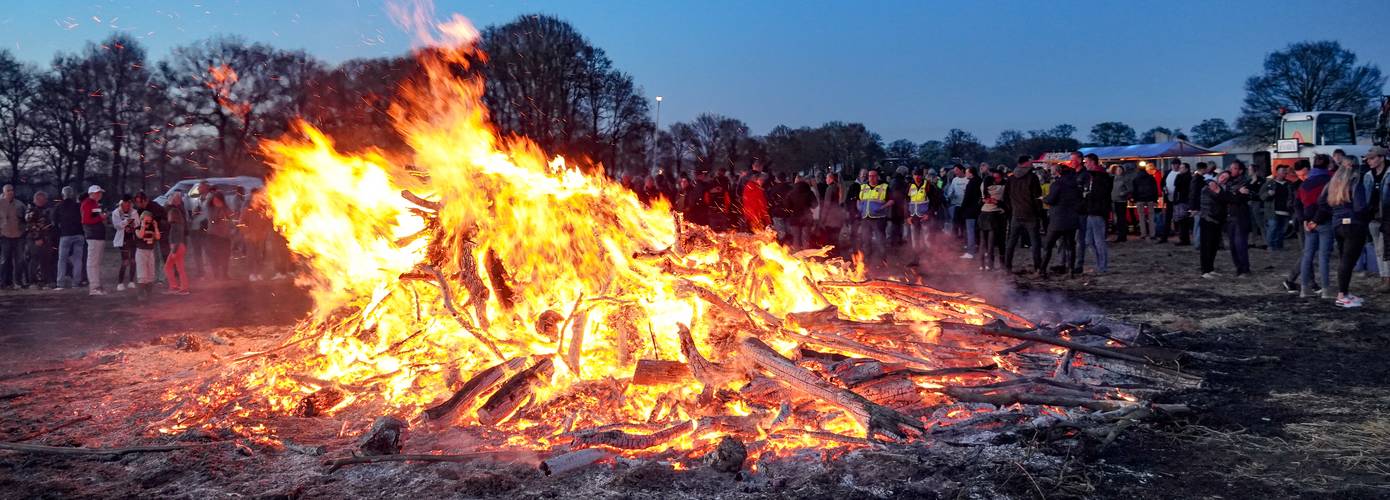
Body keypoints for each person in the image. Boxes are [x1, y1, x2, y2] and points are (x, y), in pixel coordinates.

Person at [1319, 161, 1370, 307]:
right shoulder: (1355, 184)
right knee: (1348, 261)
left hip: (1338, 225)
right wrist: (1367, 216)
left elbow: (1321, 202)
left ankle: (1345, 293)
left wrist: (1335, 214)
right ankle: (1342, 295)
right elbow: (1360, 207)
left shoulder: (1332, 184)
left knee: (1344, 260)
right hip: (1354, 225)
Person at [1296, 155, 1334, 298]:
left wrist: (1305, 220)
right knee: (1323, 256)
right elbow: (1326, 204)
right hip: (1324, 222)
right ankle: (1325, 290)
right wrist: (1316, 220)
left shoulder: (1305, 183)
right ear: (1327, 164)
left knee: (1307, 255)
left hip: (1309, 224)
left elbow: (1298, 203)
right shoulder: (1330, 180)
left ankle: (1304, 289)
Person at [1040, 163, 1083, 278]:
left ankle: (1042, 270)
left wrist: (1044, 198)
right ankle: (1071, 270)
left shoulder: (1057, 184)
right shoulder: (1075, 184)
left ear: (1058, 172)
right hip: (1072, 219)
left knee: (1048, 245)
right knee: (1070, 245)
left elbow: (1051, 200)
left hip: (1058, 220)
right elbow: (1080, 200)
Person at [1003, 156, 1044, 274]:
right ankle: (1037, 267)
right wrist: (1038, 212)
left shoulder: (1011, 179)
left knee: (1011, 241)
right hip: (1030, 214)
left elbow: (1006, 197)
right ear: (1025, 163)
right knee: (1035, 242)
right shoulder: (1032, 177)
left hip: (1016, 214)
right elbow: (1037, 197)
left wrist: (1011, 209)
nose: (1032, 163)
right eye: (1030, 161)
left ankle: (1007, 267)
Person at [1360, 146, 1390, 292]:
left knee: (1385, 249)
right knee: (1379, 249)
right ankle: (1384, 278)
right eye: (1368, 159)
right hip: (1373, 217)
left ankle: (1387, 279)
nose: (1369, 161)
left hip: (1387, 218)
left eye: (1372, 158)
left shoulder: (1388, 174)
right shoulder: (1368, 176)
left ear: (1381, 157)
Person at [1077, 154, 1113, 274]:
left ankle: (1102, 267)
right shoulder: (1092, 177)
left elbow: (1100, 195)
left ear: (1092, 162)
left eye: (1086, 162)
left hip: (1098, 212)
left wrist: (1087, 196)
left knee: (1098, 241)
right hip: (1090, 211)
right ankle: (1099, 264)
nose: (1085, 164)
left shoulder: (1101, 177)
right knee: (1089, 241)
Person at [1221, 161, 1254, 276]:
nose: (1231, 170)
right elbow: (1225, 197)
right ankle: (1238, 267)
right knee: (1232, 245)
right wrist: (1235, 193)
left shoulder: (1245, 182)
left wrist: (1234, 194)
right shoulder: (1229, 182)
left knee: (1240, 244)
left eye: (1234, 168)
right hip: (1230, 215)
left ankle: (1245, 268)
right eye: (1231, 168)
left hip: (1240, 216)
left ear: (1240, 170)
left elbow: (1239, 199)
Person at [52, 187, 85, 289]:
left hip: (65, 235)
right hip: (79, 234)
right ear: (72, 195)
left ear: (63, 195)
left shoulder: (58, 207)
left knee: (62, 260)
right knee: (78, 259)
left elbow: (54, 222)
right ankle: (76, 282)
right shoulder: (78, 206)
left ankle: (60, 283)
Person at [1198, 174, 1228, 278]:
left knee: (1213, 246)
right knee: (1206, 246)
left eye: (1226, 178)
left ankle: (1210, 268)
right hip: (1208, 219)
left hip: (1217, 220)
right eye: (1223, 176)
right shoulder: (1208, 187)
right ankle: (1205, 270)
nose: (1224, 179)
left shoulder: (1222, 189)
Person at [857, 169, 892, 259]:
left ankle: (882, 261)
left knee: (880, 240)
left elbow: (891, 201)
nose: (871, 178)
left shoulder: (884, 187)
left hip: (879, 218)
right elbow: (859, 199)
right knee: (866, 240)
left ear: (877, 177)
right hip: (865, 218)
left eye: (873, 176)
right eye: (870, 176)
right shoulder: (863, 186)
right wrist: (860, 208)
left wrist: (882, 208)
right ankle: (867, 262)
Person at [81, 185, 108, 295]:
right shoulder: (88, 203)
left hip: (97, 235)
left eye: (100, 192)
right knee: (93, 262)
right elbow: (86, 220)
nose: (99, 194)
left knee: (96, 262)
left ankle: (97, 286)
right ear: (91, 193)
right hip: (93, 236)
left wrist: (101, 217)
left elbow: (93, 218)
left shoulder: (93, 203)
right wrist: (101, 217)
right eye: (97, 193)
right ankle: (94, 287)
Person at [24, 192, 56, 289]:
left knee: (46, 260)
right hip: (34, 239)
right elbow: (30, 225)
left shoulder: (48, 210)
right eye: (39, 199)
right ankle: (32, 282)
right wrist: (37, 238)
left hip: (47, 239)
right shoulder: (31, 210)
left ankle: (46, 281)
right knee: (34, 260)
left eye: (43, 199)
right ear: (35, 200)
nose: (41, 201)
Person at [978, 170, 1006, 270]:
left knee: (982, 242)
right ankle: (991, 264)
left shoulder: (982, 187)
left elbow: (982, 198)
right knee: (991, 243)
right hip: (994, 215)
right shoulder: (1001, 188)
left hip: (983, 214)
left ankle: (981, 265)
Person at [110, 195, 140, 291]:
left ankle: (131, 281)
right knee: (125, 261)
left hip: (133, 238)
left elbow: (138, 223)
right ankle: (120, 283)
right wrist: (126, 222)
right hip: (123, 239)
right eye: (125, 204)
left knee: (133, 260)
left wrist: (132, 225)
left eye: (129, 204)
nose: (127, 206)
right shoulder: (116, 212)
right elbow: (116, 225)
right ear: (122, 203)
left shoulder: (134, 212)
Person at [1262, 165, 1294, 251]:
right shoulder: (1270, 183)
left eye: (1285, 171)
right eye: (1283, 171)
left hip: (1285, 210)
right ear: (1277, 172)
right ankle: (1270, 245)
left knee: (1282, 230)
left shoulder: (1289, 184)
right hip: (1272, 210)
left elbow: (1293, 196)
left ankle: (1279, 246)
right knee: (1273, 227)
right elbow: (1261, 196)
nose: (1285, 173)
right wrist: (1268, 194)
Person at [163, 192, 190, 294]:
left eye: (169, 215)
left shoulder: (175, 226)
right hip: (180, 247)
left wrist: (174, 251)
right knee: (174, 267)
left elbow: (176, 239)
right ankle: (177, 286)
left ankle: (181, 288)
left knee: (174, 267)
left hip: (177, 248)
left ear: (172, 216)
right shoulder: (179, 224)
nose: (168, 217)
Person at [204, 191, 234, 280]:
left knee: (225, 255)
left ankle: (225, 274)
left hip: (225, 236)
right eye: (215, 200)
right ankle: (216, 274)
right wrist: (218, 211)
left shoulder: (225, 207)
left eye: (218, 200)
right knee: (214, 256)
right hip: (213, 236)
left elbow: (231, 215)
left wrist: (224, 209)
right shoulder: (210, 208)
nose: (216, 201)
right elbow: (212, 220)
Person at [0, 184, 25, 289]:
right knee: (5, 260)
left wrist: (23, 230)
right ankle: (4, 282)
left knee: (19, 260)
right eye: (8, 190)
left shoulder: (20, 204)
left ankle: (18, 281)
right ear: (4, 192)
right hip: (4, 235)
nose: (11, 192)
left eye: (12, 190)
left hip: (18, 235)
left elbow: (26, 218)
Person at [132, 209, 161, 299]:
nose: (148, 222)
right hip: (141, 251)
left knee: (151, 273)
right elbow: (140, 235)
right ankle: (140, 294)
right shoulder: (137, 228)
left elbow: (158, 237)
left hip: (150, 251)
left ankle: (149, 293)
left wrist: (156, 227)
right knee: (142, 273)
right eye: (146, 220)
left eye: (149, 220)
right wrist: (143, 225)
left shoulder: (152, 228)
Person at [816, 172, 847, 250]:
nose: (826, 179)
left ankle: (832, 257)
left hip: (831, 220)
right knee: (835, 239)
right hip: (839, 219)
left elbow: (827, 205)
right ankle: (837, 256)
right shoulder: (840, 188)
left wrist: (822, 220)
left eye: (827, 178)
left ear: (831, 179)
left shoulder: (830, 189)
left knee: (829, 240)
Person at [786, 174, 818, 248]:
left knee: (796, 239)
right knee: (806, 239)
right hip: (806, 219)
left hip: (794, 218)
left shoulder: (791, 193)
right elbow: (815, 205)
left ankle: (797, 257)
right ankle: (806, 257)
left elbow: (787, 206)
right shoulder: (809, 192)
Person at [958, 166, 982, 259]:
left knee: (970, 231)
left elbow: (967, 198)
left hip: (970, 211)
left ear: (971, 173)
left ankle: (970, 252)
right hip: (979, 210)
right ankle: (982, 250)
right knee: (979, 231)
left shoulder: (971, 183)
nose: (966, 174)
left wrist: (962, 208)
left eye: (967, 172)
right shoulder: (980, 181)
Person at [1131, 164, 1160, 240]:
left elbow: (1134, 190)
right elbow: (1155, 189)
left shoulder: (1136, 178)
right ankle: (1152, 234)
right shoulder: (1151, 178)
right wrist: (1155, 199)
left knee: (1141, 217)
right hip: (1150, 199)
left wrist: (1134, 199)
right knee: (1151, 216)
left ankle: (1143, 233)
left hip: (1140, 199)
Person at [907, 170, 932, 250]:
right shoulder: (910, 186)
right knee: (914, 239)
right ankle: (916, 256)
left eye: (919, 175)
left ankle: (930, 256)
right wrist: (907, 216)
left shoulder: (927, 185)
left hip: (924, 216)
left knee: (927, 238)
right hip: (913, 216)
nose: (917, 177)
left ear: (922, 176)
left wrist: (928, 213)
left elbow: (935, 201)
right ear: (913, 176)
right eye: (915, 175)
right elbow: (906, 201)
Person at [1111, 164, 1134, 242]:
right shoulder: (1113, 179)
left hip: (1121, 201)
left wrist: (1123, 193)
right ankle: (1119, 234)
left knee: (1121, 219)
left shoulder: (1125, 179)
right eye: (1118, 170)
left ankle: (1122, 236)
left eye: (1120, 170)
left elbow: (1130, 189)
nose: (1119, 171)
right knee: (1116, 219)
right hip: (1114, 201)